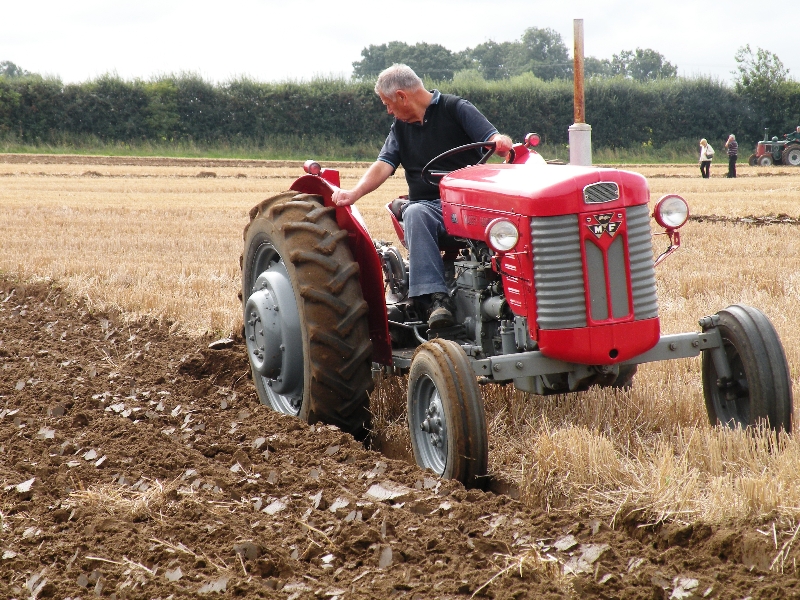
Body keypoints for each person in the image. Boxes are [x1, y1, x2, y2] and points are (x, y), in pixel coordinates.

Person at [332, 64, 513, 329]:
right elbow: (383, 164)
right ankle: (435, 300)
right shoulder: (400, 128)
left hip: (472, 205)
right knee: (415, 211)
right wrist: (354, 193)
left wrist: (501, 141)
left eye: (388, 104)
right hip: (431, 208)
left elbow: (494, 138)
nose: (389, 110)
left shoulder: (456, 108)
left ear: (403, 96)